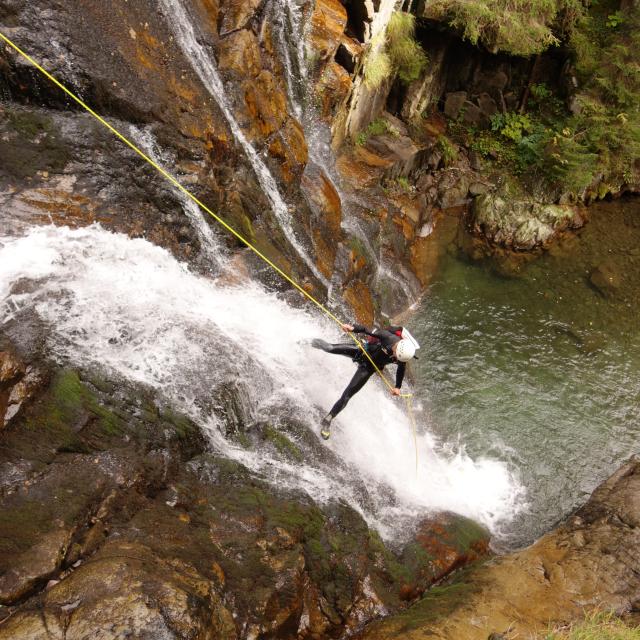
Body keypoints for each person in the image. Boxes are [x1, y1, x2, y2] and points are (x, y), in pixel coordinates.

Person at [312, 322, 417, 439]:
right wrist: (351, 328)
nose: (395, 357)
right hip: (361, 351)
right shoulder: (388, 337)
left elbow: (401, 369)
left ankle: (327, 420)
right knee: (329, 348)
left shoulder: (402, 356)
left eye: (397, 357)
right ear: (397, 346)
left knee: (347, 395)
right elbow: (365, 329)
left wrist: (397, 387)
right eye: (396, 354)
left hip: (368, 368)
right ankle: (306, 341)